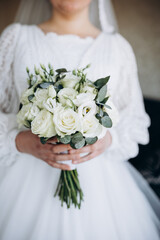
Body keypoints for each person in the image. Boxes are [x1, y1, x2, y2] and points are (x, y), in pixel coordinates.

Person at [0, 0, 159, 239]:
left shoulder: (117, 47)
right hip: (23, 179)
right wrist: (20, 141)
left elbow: (135, 120)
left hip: (103, 188)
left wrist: (107, 140)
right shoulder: (16, 38)